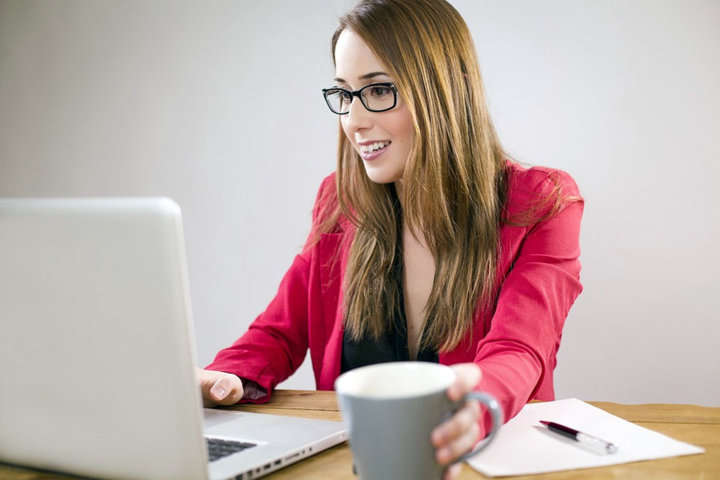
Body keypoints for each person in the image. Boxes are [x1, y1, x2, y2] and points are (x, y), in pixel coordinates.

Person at [199, 0, 583, 477]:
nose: (354, 121)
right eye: (345, 93)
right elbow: (277, 332)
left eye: (379, 90)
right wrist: (223, 377)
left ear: (443, 92)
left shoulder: (541, 201)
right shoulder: (340, 202)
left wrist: (475, 404)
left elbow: (520, 350)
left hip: (477, 466)